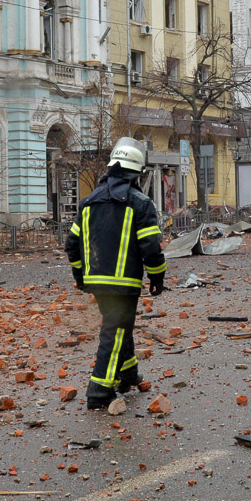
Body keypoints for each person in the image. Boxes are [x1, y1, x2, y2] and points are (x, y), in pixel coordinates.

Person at [65, 138, 167, 410]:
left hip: (96, 282)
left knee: (120, 327)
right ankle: (99, 390)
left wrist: (80, 277)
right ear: (136, 174)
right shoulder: (140, 203)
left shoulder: (88, 203)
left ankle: (128, 374)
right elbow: (151, 248)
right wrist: (157, 278)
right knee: (116, 330)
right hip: (124, 284)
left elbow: (71, 245)